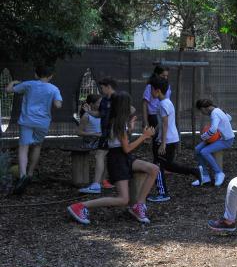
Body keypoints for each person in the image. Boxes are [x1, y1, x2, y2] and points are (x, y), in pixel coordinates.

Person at [67, 92, 159, 225]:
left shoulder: (117, 120)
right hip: (118, 159)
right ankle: (80, 206)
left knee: (153, 169)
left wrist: (131, 128)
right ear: (123, 106)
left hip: (124, 157)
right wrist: (144, 136)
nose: (131, 108)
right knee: (123, 199)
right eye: (128, 105)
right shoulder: (118, 123)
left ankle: (139, 205)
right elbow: (126, 148)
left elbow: (122, 144)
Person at [5, 65, 63, 195]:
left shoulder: (28, 84)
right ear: (51, 76)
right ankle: (30, 173)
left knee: (23, 147)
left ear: (36, 75)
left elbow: (8, 90)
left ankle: (22, 175)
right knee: (37, 146)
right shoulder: (54, 88)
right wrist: (54, 102)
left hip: (27, 121)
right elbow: (58, 105)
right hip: (42, 122)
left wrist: (14, 82)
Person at [147, 77, 199, 202]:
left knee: (158, 166)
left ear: (157, 91)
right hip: (171, 138)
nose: (150, 93)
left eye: (151, 90)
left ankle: (163, 193)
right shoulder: (167, 102)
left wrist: (163, 143)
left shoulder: (163, 104)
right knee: (169, 165)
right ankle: (195, 171)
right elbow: (163, 122)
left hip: (167, 140)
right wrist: (152, 133)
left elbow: (165, 125)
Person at [192, 99, 235, 187]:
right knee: (197, 149)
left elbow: (213, 129)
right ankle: (205, 176)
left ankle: (219, 173)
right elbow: (230, 118)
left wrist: (204, 136)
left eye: (201, 111)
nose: (202, 113)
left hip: (226, 140)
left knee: (204, 152)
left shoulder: (214, 113)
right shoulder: (218, 110)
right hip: (218, 138)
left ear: (203, 109)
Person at [76, 94, 113, 194]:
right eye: (99, 103)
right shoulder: (87, 116)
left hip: (100, 140)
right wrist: (93, 134)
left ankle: (103, 180)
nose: (101, 104)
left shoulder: (103, 114)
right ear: (91, 104)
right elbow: (79, 132)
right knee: (105, 152)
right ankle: (101, 180)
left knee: (111, 151)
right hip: (91, 142)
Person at [141, 65, 170, 149]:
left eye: (167, 76)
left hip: (164, 114)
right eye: (163, 75)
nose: (165, 77)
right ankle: (157, 160)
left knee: (163, 137)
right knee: (156, 139)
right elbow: (144, 104)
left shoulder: (167, 86)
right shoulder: (150, 87)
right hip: (153, 116)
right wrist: (145, 121)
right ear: (157, 75)